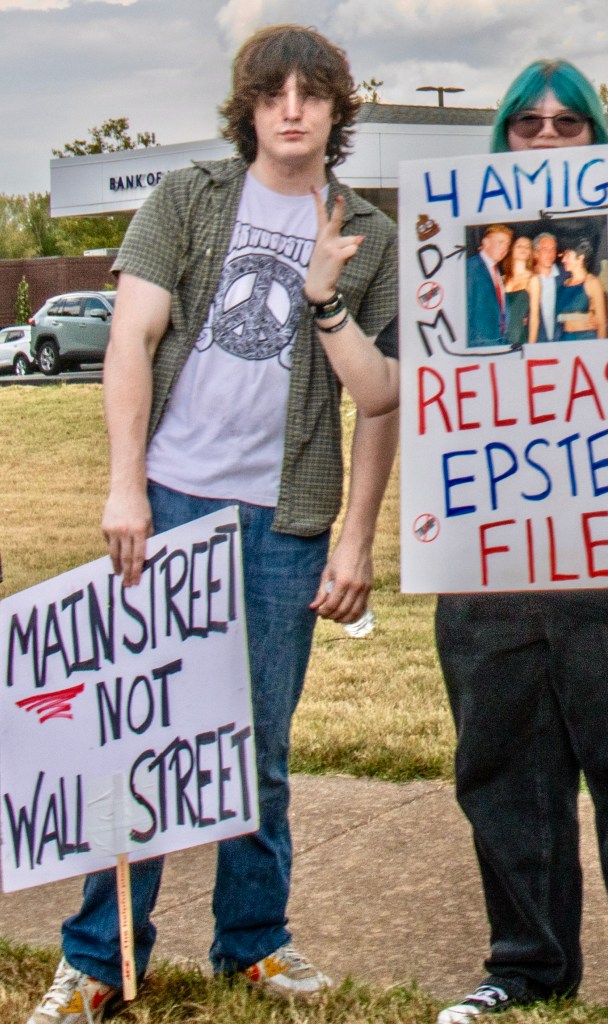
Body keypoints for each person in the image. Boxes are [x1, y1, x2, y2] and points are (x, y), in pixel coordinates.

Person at [26, 24, 399, 1024]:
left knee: (256, 745)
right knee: (137, 736)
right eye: (271, 93)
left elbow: (382, 399)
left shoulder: (368, 231)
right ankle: (98, 955)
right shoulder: (186, 201)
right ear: (246, 109)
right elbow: (132, 342)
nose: (291, 109)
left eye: (311, 94)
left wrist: (355, 540)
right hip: (170, 501)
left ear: (335, 110)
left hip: (286, 521)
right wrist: (124, 486)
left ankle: (254, 941)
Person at [436, 58, 608, 1024]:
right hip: (494, 558)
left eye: (568, 124)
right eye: (528, 124)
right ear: (503, 137)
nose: (549, 138)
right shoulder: (461, 264)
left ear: (597, 139)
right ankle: (525, 966)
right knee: (502, 774)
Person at [466, 224, 513, 346]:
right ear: (486, 243)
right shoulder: (470, 268)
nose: (504, 248)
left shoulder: (496, 271)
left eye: (507, 244)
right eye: (500, 242)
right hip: (479, 344)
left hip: (499, 342)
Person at [556, 238, 608, 339]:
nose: (563, 260)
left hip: (585, 338)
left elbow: (602, 325)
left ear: (580, 258)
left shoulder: (592, 282)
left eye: (567, 255)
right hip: (564, 338)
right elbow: (559, 317)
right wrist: (580, 317)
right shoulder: (564, 283)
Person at [528, 231, 561, 342]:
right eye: (545, 249)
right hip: (537, 340)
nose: (550, 253)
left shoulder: (566, 275)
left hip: (562, 339)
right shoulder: (527, 279)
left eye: (553, 249)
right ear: (536, 253)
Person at [502, 235, 534, 345]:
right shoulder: (501, 279)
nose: (523, 248)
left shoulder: (533, 279)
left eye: (527, 246)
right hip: (499, 336)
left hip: (519, 336)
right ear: (512, 250)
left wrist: (532, 347)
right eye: (519, 246)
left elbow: (535, 317)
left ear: (530, 252)